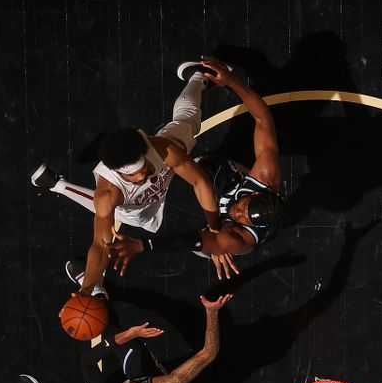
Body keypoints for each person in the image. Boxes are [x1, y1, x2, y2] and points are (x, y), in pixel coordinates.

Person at [30, 62, 221, 299]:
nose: (142, 176)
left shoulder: (163, 149)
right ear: (117, 172)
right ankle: (57, 184)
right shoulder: (109, 191)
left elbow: (200, 182)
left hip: (166, 174)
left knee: (188, 122)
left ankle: (198, 77)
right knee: (115, 213)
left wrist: (215, 231)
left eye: (144, 168)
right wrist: (88, 288)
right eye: (133, 175)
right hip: (135, 209)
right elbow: (101, 245)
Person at [107, 59, 286, 280]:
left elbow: (194, 239)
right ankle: (199, 78)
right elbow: (263, 119)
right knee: (182, 147)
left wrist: (144, 245)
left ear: (249, 226)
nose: (236, 212)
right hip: (216, 174)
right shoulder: (266, 176)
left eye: (242, 217)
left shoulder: (239, 241)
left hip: (214, 228)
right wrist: (232, 81)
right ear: (258, 193)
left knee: (204, 248)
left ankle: (215, 249)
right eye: (243, 206)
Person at [19, 293, 232, 383]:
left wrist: (78, 316)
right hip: (145, 378)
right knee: (132, 348)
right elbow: (208, 354)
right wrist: (212, 312)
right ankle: (98, 309)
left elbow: (87, 362)